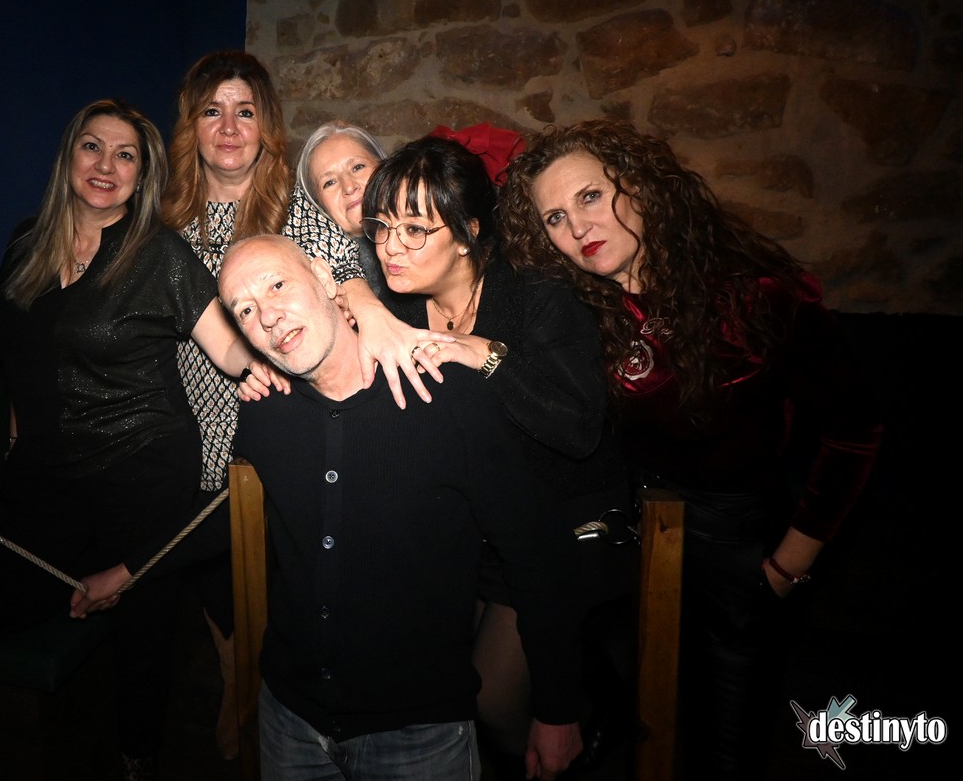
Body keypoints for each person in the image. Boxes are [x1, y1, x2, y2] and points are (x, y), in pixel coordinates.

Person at [73, 234, 570, 780]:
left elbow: (534, 549)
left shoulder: (446, 395)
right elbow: (233, 514)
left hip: (418, 729)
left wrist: (556, 709)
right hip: (290, 721)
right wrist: (128, 571)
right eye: (245, 310)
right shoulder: (266, 411)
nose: (267, 316)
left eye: (277, 285)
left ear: (326, 278)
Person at [496, 119, 884, 780]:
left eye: (590, 196)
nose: (577, 226)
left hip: (733, 548)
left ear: (641, 187)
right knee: (635, 730)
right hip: (622, 547)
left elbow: (856, 427)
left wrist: (787, 566)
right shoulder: (579, 306)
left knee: (723, 751)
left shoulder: (752, 296)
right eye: (555, 217)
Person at [0, 97, 281, 781]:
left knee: (142, 636)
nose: (106, 166)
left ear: (142, 176)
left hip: (142, 466)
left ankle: (136, 756)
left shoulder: (157, 253)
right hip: (46, 471)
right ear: (69, 156)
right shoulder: (25, 244)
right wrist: (15, 444)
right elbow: (19, 361)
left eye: (126, 156)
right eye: (93, 147)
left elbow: (229, 347)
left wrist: (274, 361)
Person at [160, 51, 447, 757]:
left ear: (267, 125)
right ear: (192, 127)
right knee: (212, 577)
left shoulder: (292, 203)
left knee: (288, 572)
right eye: (212, 111)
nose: (230, 127)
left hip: (280, 417)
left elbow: (345, 271)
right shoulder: (171, 220)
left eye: (246, 111)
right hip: (194, 420)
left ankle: (268, 688)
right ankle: (234, 667)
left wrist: (370, 313)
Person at [364, 129, 638, 779]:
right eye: (381, 227)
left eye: (413, 229)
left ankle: (576, 735)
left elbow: (578, 431)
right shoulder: (399, 306)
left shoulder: (536, 295)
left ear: (467, 232)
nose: (390, 247)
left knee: (491, 697)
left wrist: (484, 355)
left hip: (568, 524)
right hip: (483, 529)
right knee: (425, 664)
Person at [296, 120, 388, 293]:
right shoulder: (318, 278)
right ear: (319, 204)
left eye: (357, 167)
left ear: (383, 166)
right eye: (329, 182)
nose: (349, 187)